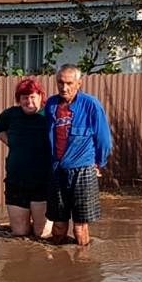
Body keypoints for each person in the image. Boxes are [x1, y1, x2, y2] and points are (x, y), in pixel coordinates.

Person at [44, 64, 111, 247]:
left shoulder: (91, 105)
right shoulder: (51, 104)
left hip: (83, 170)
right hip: (57, 170)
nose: (64, 88)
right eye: (60, 82)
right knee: (57, 225)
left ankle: (82, 267)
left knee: (80, 227)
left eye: (69, 83)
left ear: (79, 84)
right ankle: (58, 265)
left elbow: (104, 140)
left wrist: (99, 163)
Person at [0, 77, 52, 237]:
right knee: (20, 233)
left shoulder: (49, 114)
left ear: (40, 96)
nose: (29, 101)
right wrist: (12, 142)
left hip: (43, 181)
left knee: (42, 234)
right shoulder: (11, 114)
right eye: (24, 97)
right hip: (16, 180)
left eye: (32, 96)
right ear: (19, 99)